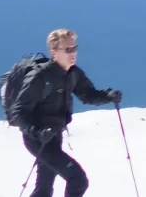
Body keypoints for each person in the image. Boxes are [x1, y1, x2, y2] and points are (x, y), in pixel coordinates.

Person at [8, 29, 122, 197]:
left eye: (74, 48)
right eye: (68, 49)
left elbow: (88, 94)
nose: (73, 53)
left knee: (44, 189)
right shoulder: (39, 76)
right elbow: (18, 112)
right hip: (37, 138)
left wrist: (108, 96)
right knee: (78, 179)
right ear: (53, 52)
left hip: (54, 136)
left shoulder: (73, 74)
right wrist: (37, 132)